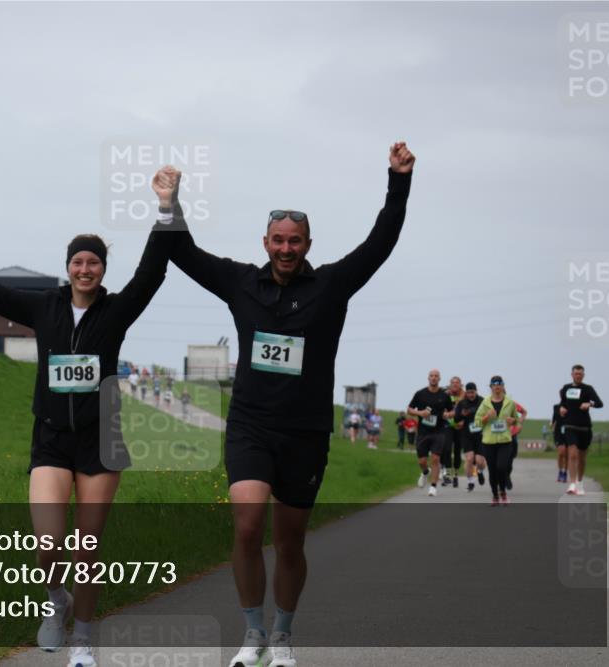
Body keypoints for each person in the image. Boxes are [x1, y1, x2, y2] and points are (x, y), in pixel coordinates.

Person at [0, 165, 181, 667]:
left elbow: (154, 270)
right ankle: (57, 601)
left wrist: (166, 208)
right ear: (67, 267)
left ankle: (83, 643)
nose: (85, 270)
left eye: (94, 263)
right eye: (78, 262)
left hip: (100, 441)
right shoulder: (44, 308)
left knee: (87, 552)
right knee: (49, 546)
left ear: (102, 271)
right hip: (51, 438)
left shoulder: (117, 311)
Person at [166, 142, 415, 667]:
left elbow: (381, 242)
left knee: (291, 540)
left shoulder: (330, 286)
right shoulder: (240, 282)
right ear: (265, 242)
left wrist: (398, 181)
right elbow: (184, 253)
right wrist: (170, 204)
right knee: (248, 524)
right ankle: (252, 633)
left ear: (307, 244)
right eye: (278, 240)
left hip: (304, 432)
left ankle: (282, 635)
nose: (285, 248)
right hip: (251, 426)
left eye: (294, 241)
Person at [559, 364, 604, 495]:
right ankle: (572, 484)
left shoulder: (588, 389)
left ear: (583, 375)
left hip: (584, 427)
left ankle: (579, 482)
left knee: (582, 458)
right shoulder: (566, 388)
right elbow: (563, 403)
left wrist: (589, 404)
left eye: (580, 374)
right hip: (570, 426)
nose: (578, 376)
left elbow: (600, 403)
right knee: (572, 454)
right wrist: (561, 408)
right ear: (572, 375)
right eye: (576, 373)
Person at [408, 369, 454, 497]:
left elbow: (452, 411)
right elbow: (409, 409)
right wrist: (420, 413)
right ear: (428, 378)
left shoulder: (444, 396)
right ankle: (425, 472)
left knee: (435, 458)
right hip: (423, 432)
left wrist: (448, 414)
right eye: (431, 376)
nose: (434, 378)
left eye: (436, 376)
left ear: (439, 379)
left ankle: (433, 487)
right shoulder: (420, 394)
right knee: (422, 461)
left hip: (438, 432)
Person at [474, 376, 519, 506]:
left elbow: (516, 419)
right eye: (494, 384)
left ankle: (503, 492)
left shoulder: (510, 402)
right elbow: (477, 423)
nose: (497, 386)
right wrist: (487, 417)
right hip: (489, 442)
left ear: (503, 386)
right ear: (491, 387)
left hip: (505, 441)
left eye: (499, 384)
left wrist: (513, 421)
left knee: (501, 467)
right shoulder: (485, 403)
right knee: (492, 471)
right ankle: (495, 496)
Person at [453, 382, 486, 491]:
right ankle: (471, 481)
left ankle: (480, 471)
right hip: (466, 435)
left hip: (481, 435)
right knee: (469, 458)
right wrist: (462, 415)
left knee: (480, 461)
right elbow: (456, 419)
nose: (471, 395)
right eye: (468, 393)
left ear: (476, 391)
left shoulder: (483, 401)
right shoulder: (462, 403)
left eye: (472, 392)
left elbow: (489, 414)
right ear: (466, 393)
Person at [444, 376, 464, 488]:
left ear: (461, 385)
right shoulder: (446, 394)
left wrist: (464, 422)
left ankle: (455, 475)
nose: (455, 385)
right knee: (447, 448)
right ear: (450, 384)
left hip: (460, 426)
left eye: (457, 383)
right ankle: (447, 473)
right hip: (448, 425)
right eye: (453, 383)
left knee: (457, 451)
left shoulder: (465, 395)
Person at [550, 402, 568, 482]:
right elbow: (554, 418)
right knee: (561, 453)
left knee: (566, 454)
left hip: (568, 432)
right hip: (558, 433)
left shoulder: (571, 406)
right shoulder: (556, 407)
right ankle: (560, 472)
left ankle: (565, 473)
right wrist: (552, 424)